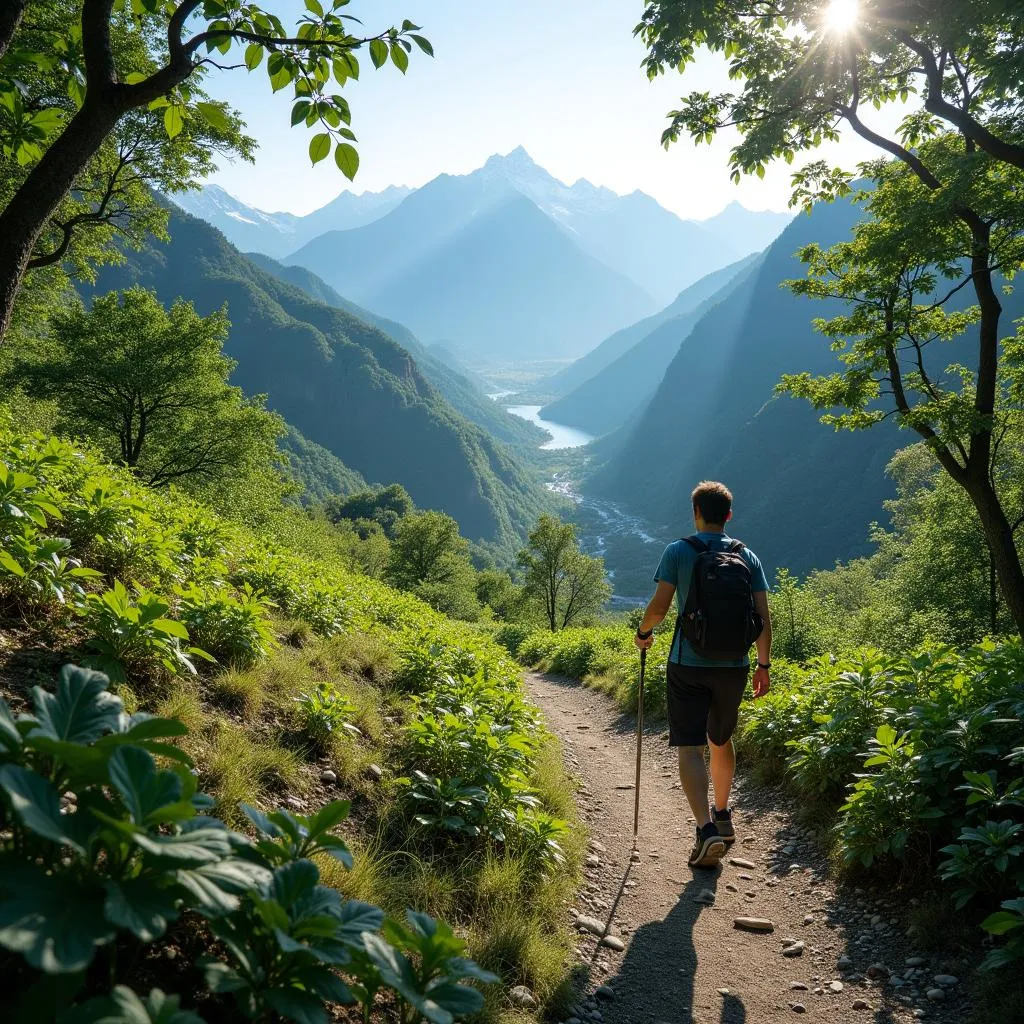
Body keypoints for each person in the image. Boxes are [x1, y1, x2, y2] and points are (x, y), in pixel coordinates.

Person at [634, 480, 772, 868]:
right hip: (735, 666)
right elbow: (762, 618)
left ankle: (705, 830)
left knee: (691, 746)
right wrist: (763, 665)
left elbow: (660, 608)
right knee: (721, 738)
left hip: (688, 664)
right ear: (728, 515)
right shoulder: (748, 556)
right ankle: (724, 815)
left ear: (695, 512)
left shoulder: (679, 551)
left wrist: (644, 634)